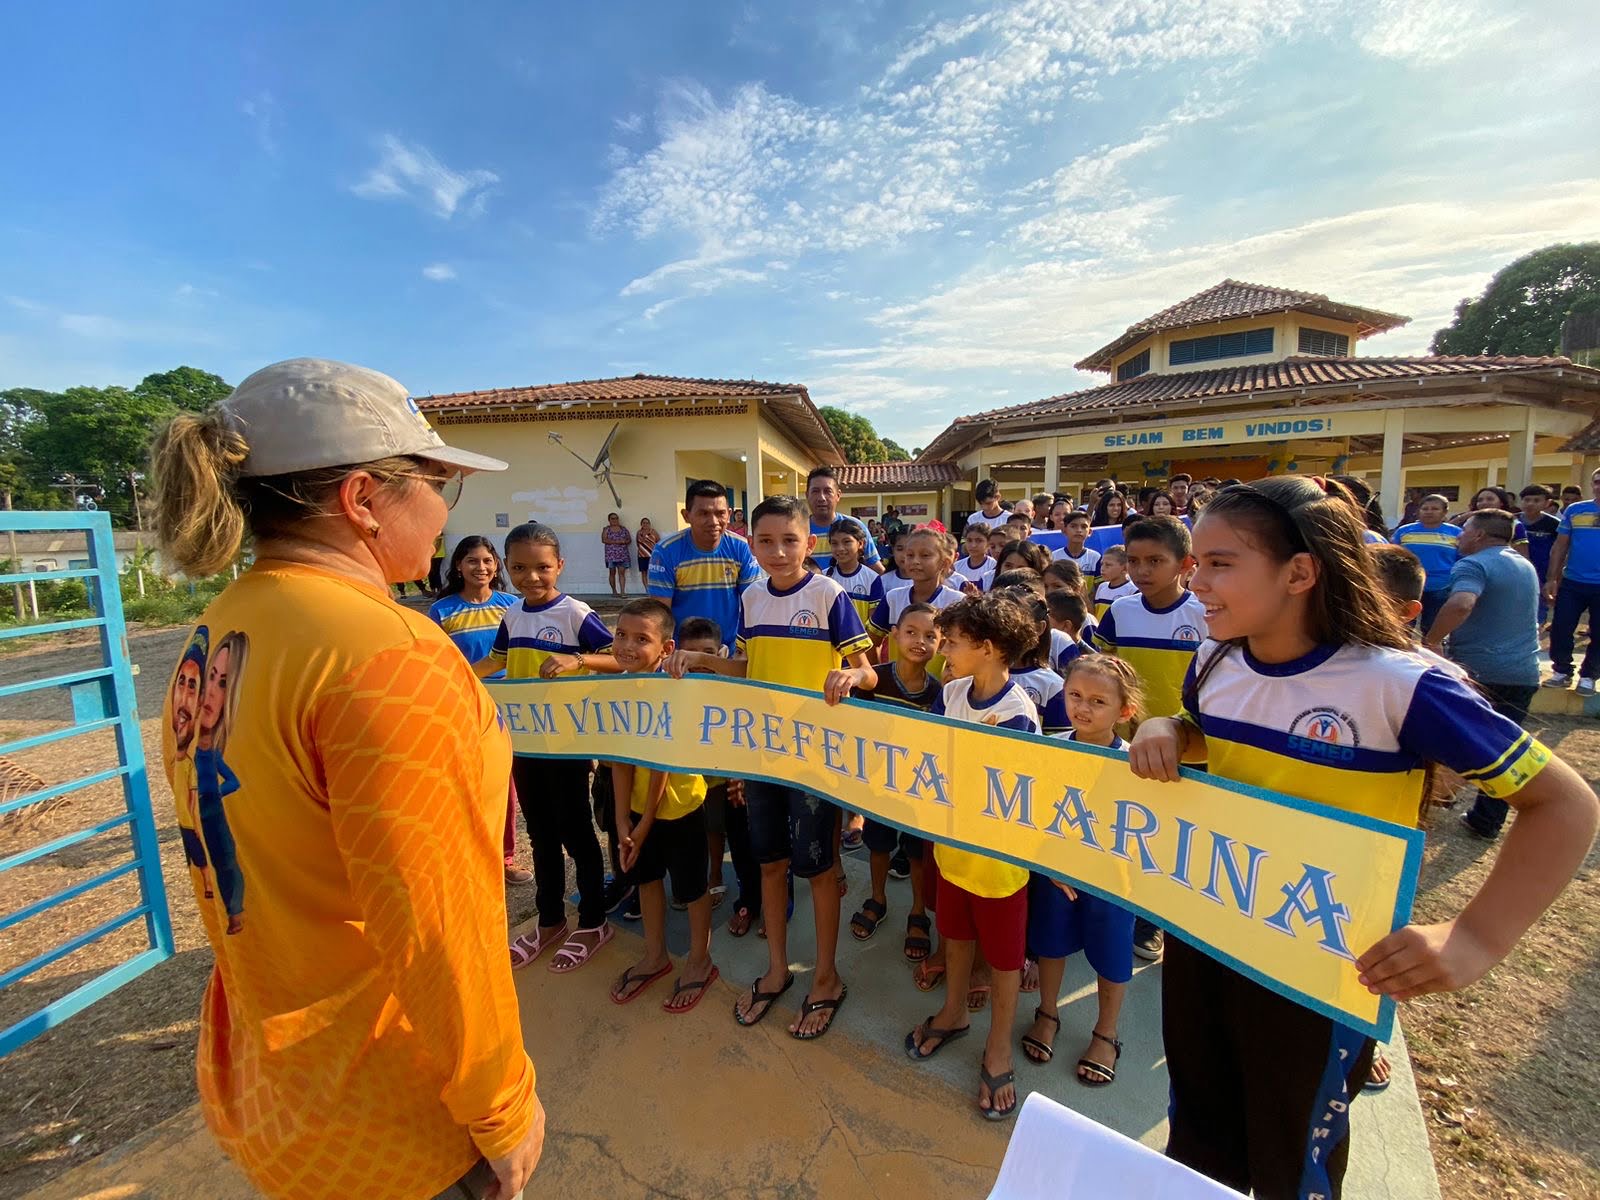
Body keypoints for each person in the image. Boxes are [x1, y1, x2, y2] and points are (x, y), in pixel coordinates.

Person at [1129, 474, 1597, 1200]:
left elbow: (1564, 806)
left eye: (1220, 563)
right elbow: (1209, 734)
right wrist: (1168, 727)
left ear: (1300, 573)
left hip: (1323, 965)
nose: (1197, 582)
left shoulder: (1402, 685)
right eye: (1197, 562)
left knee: (1294, 1156)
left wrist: (1474, 938)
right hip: (1207, 934)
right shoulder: (1216, 660)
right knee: (1198, 1132)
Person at [149, 358, 542, 1200]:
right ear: (363, 498)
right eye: (437, 482)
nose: (444, 512)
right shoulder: (389, 657)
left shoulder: (223, 626)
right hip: (396, 1117)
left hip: (281, 1097)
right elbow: (436, 925)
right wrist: (502, 1105)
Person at [666, 494, 875, 1039]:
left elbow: (868, 670)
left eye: (789, 540)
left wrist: (852, 676)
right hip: (763, 755)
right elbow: (747, 665)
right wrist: (702, 659)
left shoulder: (828, 595)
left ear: (810, 543)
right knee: (770, 864)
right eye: (766, 541)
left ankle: (826, 978)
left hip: (815, 759)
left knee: (820, 870)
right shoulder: (752, 597)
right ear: (751, 545)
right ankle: (778, 970)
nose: (778, 551)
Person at [903, 593, 1042, 1122]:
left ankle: (998, 1046)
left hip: (998, 863)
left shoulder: (1018, 713)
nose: (944, 651)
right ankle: (954, 1011)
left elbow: (999, 788)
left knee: (1004, 961)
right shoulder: (953, 691)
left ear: (987, 648)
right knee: (955, 936)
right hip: (951, 849)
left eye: (953, 643)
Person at [476, 523, 617, 975]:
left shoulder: (576, 614)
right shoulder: (512, 614)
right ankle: (551, 919)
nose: (531, 577)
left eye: (542, 567)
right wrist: (455, 673)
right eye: (519, 568)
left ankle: (593, 921)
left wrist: (579, 659)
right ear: (506, 567)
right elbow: (495, 661)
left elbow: (620, 659)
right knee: (540, 834)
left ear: (560, 565)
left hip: (566, 746)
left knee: (577, 833)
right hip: (525, 745)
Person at [1023, 654, 1141, 1086]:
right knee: (1050, 944)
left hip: (1112, 883)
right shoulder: (1051, 748)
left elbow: (1143, 831)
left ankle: (1106, 1033)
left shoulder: (1136, 764)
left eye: (1097, 701)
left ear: (1124, 711)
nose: (1082, 708)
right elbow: (1034, 811)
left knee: (1113, 956)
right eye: (1074, 695)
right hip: (1057, 874)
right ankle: (1047, 1013)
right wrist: (1050, 863)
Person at [1092, 515, 1205, 963]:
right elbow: (1104, 672)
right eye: (1134, 560)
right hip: (1127, 745)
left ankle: (1156, 916)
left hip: (1188, 749)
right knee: (1132, 828)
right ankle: (1127, 904)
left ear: (1186, 564)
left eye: (1155, 561)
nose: (1141, 570)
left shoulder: (1205, 616)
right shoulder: (1120, 612)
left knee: (1176, 837)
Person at [605, 599, 720, 1012]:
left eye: (641, 639)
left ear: (666, 649)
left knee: (692, 888)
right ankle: (655, 955)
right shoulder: (618, 688)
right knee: (646, 878)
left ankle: (700, 960)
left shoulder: (674, 689)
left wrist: (643, 824)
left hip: (679, 807)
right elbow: (619, 760)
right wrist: (622, 820)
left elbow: (661, 767)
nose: (627, 646)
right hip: (636, 811)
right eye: (621, 635)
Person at [1420, 512, 1543, 840]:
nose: (1458, 536)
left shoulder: (1473, 565)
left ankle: (1434, 799)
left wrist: (1432, 640)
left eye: (1464, 530)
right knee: (1504, 750)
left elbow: (1461, 603)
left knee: (1448, 736)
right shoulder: (1524, 565)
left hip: (1481, 671)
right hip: (1524, 671)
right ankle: (1486, 820)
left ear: (1479, 535)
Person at [831, 603, 942, 961]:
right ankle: (877, 898)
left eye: (930, 636)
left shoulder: (939, 693)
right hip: (877, 785)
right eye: (911, 632)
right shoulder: (873, 679)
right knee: (878, 845)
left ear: (941, 644)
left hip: (918, 790)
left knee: (916, 852)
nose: (919, 641)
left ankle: (918, 912)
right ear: (894, 635)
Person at [429, 536, 529, 885]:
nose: (481, 567)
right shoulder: (442, 611)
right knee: (468, 782)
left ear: (496, 565)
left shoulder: (512, 605)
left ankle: (504, 858)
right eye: (472, 561)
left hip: (512, 707)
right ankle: (467, 855)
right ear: (458, 565)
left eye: (487, 560)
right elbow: (438, 663)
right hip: (466, 706)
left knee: (505, 785)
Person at [676, 617, 761, 936]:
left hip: (732, 779)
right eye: (692, 654)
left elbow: (748, 727)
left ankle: (749, 899)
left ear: (722, 652)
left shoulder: (734, 684)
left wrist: (739, 772)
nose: (700, 662)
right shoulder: (673, 684)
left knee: (742, 840)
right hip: (694, 776)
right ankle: (711, 877)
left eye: (708, 653)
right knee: (705, 827)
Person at [647, 480, 760, 652]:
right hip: (682, 654)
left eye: (720, 513)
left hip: (728, 651)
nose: (713, 521)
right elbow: (660, 613)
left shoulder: (741, 548)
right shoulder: (666, 551)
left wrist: (745, 650)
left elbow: (753, 603)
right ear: (686, 515)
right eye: (703, 513)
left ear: (729, 514)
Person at [868, 527, 963, 672]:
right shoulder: (893, 598)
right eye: (910, 555)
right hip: (896, 685)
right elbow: (871, 643)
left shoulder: (957, 602)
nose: (915, 561)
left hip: (941, 685)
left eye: (925, 555)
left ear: (944, 563)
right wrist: (879, 676)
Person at [1543, 467, 1600, 691]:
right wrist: (1552, 578)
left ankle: (1589, 676)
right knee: (1560, 628)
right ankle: (1562, 671)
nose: (1599, 486)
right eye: (1597, 482)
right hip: (1573, 582)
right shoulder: (1576, 510)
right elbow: (1560, 546)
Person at [1393, 494, 1462, 633]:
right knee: (1403, 627)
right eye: (1425, 508)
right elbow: (1393, 555)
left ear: (1445, 512)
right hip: (1408, 585)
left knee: (1431, 628)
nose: (1429, 512)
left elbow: (1461, 559)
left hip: (1441, 586)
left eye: (1435, 509)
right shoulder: (1404, 531)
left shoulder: (1456, 533)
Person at [806, 466, 881, 573]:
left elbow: (875, 567)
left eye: (828, 491)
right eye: (815, 491)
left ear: (838, 495)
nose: (821, 498)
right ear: (807, 495)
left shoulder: (855, 526)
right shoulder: (799, 530)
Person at [826, 518, 886, 627]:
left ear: (861, 543)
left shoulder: (872, 579)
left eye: (847, 542)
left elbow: (873, 624)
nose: (840, 548)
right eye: (834, 543)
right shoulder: (824, 577)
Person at [1512, 485, 1558, 624]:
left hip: (1541, 575)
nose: (1530, 504)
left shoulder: (1554, 524)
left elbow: (1560, 550)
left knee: (1537, 614)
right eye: (1527, 500)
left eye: (1536, 500)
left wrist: (1553, 578)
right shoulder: (1511, 521)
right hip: (1514, 573)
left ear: (1547, 503)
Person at [1091, 547, 1138, 620]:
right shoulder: (1102, 587)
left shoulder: (1133, 590)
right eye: (1102, 564)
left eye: (1108, 565)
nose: (1102, 568)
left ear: (1125, 568)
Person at [1052, 511, 1101, 581]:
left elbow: (1100, 585)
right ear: (1064, 530)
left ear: (1089, 532)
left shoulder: (1095, 557)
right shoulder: (1054, 557)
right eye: (1073, 526)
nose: (1079, 530)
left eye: (1083, 527)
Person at [952, 524, 997, 592]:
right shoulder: (957, 566)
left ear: (988, 543)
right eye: (969, 540)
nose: (973, 545)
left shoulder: (993, 566)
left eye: (979, 541)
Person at [600, 512, 633, 597]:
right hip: (611, 555)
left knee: (622, 573)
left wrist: (624, 542)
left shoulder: (623, 529)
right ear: (609, 520)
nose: (615, 520)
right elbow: (604, 540)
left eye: (616, 518)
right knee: (612, 572)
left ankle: (622, 592)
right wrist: (617, 542)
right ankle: (614, 591)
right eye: (613, 518)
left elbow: (629, 539)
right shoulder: (607, 529)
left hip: (622, 555)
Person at [635, 515, 659, 592]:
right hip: (641, 555)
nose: (645, 524)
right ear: (641, 524)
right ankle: (647, 590)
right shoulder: (639, 533)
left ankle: (653, 589)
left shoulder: (653, 532)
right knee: (644, 573)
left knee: (652, 572)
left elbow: (658, 542)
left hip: (652, 555)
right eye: (644, 523)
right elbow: (637, 543)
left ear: (649, 524)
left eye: (647, 523)